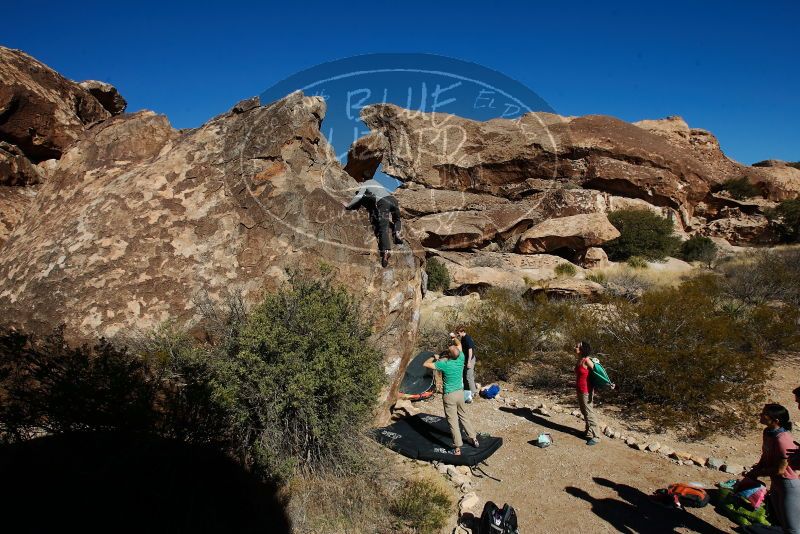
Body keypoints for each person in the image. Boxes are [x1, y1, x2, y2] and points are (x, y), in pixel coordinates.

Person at [739, 403, 799, 533]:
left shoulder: (783, 439)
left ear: (776, 421)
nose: (761, 415)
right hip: (776, 483)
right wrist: (756, 469)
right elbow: (766, 454)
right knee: (780, 522)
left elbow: (780, 470)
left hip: (788, 485)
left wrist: (759, 472)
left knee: (793, 529)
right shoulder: (768, 432)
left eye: (765, 414)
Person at [424, 345, 479, 456]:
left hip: (449, 395)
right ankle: (473, 438)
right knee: (464, 416)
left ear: (448, 355)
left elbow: (425, 364)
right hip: (460, 393)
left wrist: (434, 357)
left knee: (453, 421)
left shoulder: (444, 364)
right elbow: (458, 345)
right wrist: (454, 338)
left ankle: (458, 447)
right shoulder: (461, 358)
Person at [345, 175, 403, 267]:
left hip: (383, 203)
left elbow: (359, 196)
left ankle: (386, 252)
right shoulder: (376, 182)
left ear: (363, 179)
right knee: (397, 219)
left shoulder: (366, 183)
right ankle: (397, 234)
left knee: (383, 228)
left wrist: (348, 206)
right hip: (393, 199)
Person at [575, 340, 600, 446]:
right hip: (580, 389)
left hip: (586, 390)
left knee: (589, 413)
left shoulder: (587, 360)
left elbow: (597, 373)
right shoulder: (580, 359)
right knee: (584, 412)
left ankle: (596, 436)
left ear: (582, 349)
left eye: (577, 346)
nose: (575, 347)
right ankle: (588, 431)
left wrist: (603, 384)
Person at [456, 326, 477, 402]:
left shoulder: (467, 338)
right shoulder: (463, 338)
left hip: (470, 359)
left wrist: (468, 362)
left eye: (458, 333)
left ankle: (474, 392)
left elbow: (470, 350)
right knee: (465, 376)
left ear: (462, 332)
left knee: (469, 376)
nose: (458, 334)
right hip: (466, 359)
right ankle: (468, 391)